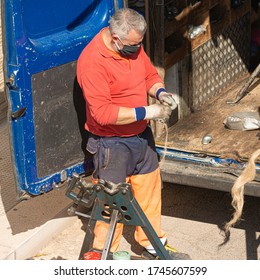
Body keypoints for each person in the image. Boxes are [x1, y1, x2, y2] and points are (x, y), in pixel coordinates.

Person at [77, 7, 190, 260]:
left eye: (139, 43)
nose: (137, 49)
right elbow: (103, 114)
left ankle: (152, 243)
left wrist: (160, 92)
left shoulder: (132, 46)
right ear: (116, 38)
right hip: (111, 143)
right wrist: (147, 112)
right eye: (133, 44)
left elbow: (149, 74)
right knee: (110, 201)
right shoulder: (92, 62)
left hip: (140, 137)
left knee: (149, 190)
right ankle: (103, 251)